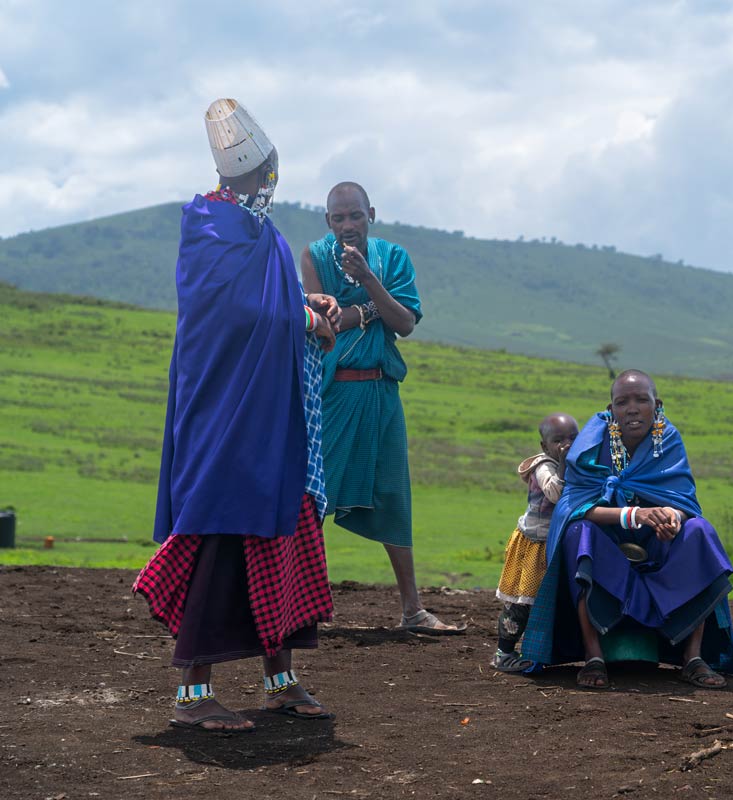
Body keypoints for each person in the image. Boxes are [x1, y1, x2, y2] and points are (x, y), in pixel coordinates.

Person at [133, 99, 342, 732]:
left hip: (274, 412)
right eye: (270, 170)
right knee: (221, 534)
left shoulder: (264, 236)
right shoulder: (210, 225)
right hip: (225, 415)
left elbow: (268, 300)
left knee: (285, 531)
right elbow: (231, 315)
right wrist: (307, 318)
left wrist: (309, 303)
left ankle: (280, 679)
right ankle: (193, 694)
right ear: (263, 173)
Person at [300, 182, 463, 634]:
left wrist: (367, 284)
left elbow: (406, 322)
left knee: (393, 494)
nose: (348, 226)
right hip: (333, 393)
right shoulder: (314, 257)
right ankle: (295, 603)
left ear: (371, 213)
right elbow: (322, 323)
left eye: (355, 216)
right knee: (313, 496)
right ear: (327, 221)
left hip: (381, 390)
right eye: (339, 218)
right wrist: (368, 311)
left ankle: (412, 610)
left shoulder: (393, 260)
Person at [522, 370, 733, 689]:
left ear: (657, 405)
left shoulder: (668, 440)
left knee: (700, 531)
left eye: (642, 399)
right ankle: (593, 655)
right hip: (606, 546)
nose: (632, 408)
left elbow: (682, 500)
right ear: (610, 409)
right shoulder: (590, 443)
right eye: (622, 401)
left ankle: (693, 658)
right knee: (578, 533)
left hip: (655, 544)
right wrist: (633, 515)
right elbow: (574, 507)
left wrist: (672, 517)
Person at [491, 413, 579, 672]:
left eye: (573, 438)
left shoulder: (573, 463)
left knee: (546, 602)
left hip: (551, 543)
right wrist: (563, 464)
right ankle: (502, 653)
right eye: (559, 440)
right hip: (534, 546)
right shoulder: (544, 467)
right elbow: (555, 493)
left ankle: (540, 650)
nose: (567, 444)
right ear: (544, 446)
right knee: (522, 603)